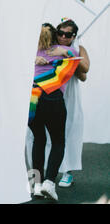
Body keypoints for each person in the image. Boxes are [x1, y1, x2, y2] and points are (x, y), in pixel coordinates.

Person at [30, 23, 79, 201]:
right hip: (52, 98)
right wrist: (61, 52)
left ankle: (36, 184)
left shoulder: (29, 51)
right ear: (54, 36)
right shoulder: (61, 49)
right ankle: (49, 183)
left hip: (32, 99)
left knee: (38, 140)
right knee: (58, 142)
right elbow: (75, 55)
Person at [45, 18, 90, 188]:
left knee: (70, 131)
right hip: (50, 92)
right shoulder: (49, 45)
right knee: (46, 134)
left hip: (69, 94)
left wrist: (70, 53)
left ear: (74, 36)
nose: (63, 37)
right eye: (61, 33)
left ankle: (68, 171)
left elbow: (84, 71)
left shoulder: (78, 48)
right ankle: (47, 171)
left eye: (68, 34)